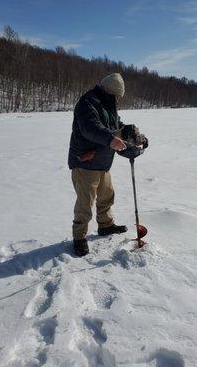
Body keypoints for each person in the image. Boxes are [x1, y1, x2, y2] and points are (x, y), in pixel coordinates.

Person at [68, 73, 129, 257]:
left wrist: (132, 134)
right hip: (85, 163)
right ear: (110, 91)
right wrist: (111, 140)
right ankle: (79, 237)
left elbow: (116, 125)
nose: (118, 99)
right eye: (117, 95)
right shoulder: (88, 102)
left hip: (102, 162)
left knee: (106, 196)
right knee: (85, 204)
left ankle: (106, 225)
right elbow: (90, 128)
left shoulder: (108, 105)